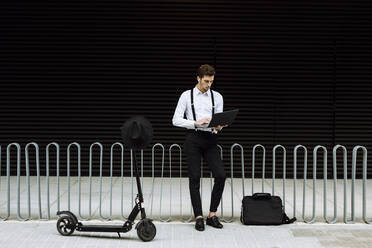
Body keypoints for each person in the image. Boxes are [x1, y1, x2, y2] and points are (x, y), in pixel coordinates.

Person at [172, 64, 228, 231]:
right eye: (205, 81)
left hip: (210, 138)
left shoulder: (217, 97)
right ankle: (198, 217)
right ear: (198, 78)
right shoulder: (186, 96)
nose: (208, 85)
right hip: (194, 138)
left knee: (221, 175)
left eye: (211, 81)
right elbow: (175, 119)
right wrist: (195, 123)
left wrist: (219, 126)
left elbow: (218, 119)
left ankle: (212, 214)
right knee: (195, 177)